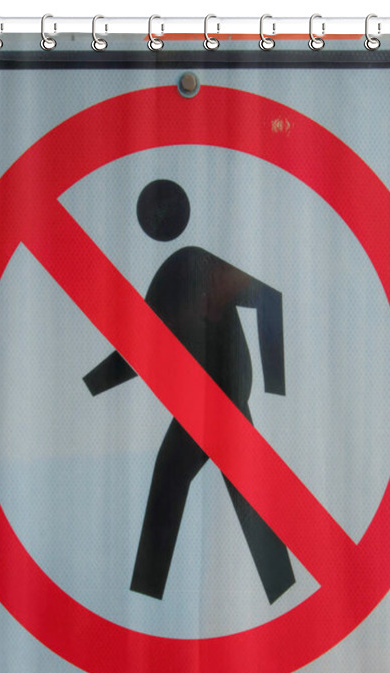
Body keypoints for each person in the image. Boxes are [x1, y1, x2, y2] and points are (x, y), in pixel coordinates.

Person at [83, 179, 295, 604]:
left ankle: (147, 594)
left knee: (171, 480)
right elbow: (137, 353)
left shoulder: (190, 265)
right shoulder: (167, 282)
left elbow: (268, 299)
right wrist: (89, 388)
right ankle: (281, 586)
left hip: (220, 396)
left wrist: (276, 387)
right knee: (212, 483)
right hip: (202, 400)